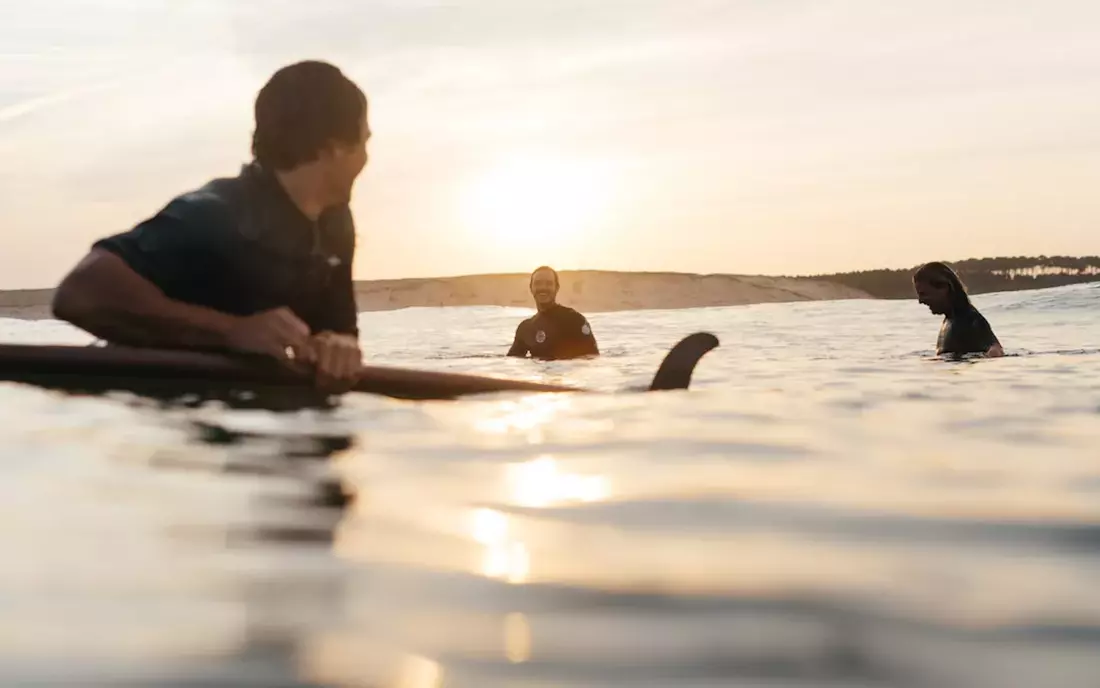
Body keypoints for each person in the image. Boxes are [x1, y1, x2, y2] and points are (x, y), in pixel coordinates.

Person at [51, 60, 370, 390]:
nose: (366, 157)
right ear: (334, 149)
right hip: (156, 414)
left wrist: (338, 347)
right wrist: (231, 331)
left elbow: (339, 331)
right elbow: (79, 293)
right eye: (364, 142)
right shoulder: (215, 214)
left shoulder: (336, 225)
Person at [913, 261, 1004, 358]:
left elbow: (995, 349)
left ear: (944, 287)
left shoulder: (969, 318)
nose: (921, 301)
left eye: (924, 294)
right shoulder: (951, 319)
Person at [507, 266, 599, 360]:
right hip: (538, 373)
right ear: (531, 288)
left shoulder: (574, 320)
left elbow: (592, 358)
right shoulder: (526, 328)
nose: (543, 287)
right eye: (538, 283)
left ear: (557, 288)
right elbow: (511, 363)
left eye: (549, 283)